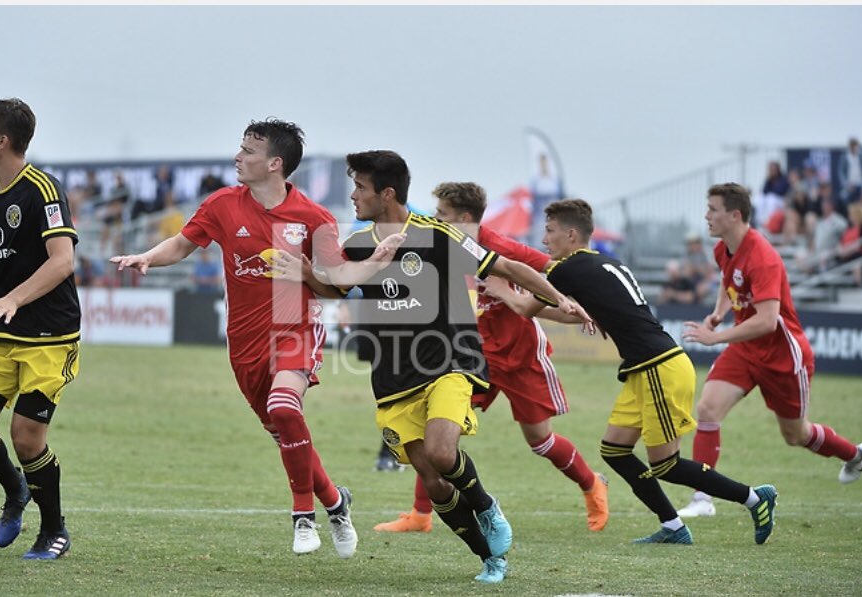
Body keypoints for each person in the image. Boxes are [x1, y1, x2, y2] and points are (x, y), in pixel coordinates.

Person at [110, 118, 399, 558]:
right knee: (286, 433)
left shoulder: (314, 218)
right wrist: (147, 256)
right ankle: (336, 503)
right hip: (244, 342)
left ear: (275, 163)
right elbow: (184, 244)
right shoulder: (223, 205)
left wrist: (360, 264)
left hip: (295, 328)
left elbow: (337, 284)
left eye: (248, 151)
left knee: (284, 407)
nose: (237, 157)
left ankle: (303, 517)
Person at [327, 150, 592, 583]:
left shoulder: (438, 234)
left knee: (441, 452)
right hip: (392, 379)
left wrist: (559, 297)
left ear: (387, 193)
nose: (354, 195)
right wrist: (303, 270)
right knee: (433, 481)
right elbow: (332, 285)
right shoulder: (357, 244)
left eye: (360, 187)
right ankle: (490, 558)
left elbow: (507, 266)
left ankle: (487, 506)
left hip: (449, 363)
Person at [487, 198, 777, 546]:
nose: (544, 240)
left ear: (572, 234)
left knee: (666, 465)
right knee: (615, 450)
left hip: (659, 367)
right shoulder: (605, 263)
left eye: (549, 232)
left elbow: (524, 307)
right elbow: (573, 308)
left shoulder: (568, 269)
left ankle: (754, 498)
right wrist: (584, 313)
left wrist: (501, 289)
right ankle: (672, 526)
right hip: (644, 368)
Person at [372, 181, 608, 536]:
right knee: (437, 428)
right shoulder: (439, 243)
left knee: (540, 441)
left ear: (465, 218)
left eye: (443, 215)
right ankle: (421, 514)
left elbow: (556, 270)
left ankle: (592, 484)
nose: (435, 219)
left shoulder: (499, 247)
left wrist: (585, 303)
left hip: (521, 355)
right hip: (473, 355)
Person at [678, 183, 862, 518]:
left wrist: (716, 338)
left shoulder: (763, 257)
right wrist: (719, 312)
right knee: (708, 410)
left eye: (712, 209)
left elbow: (768, 321)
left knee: (795, 434)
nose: (706, 215)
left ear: (734, 215)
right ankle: (702, 500)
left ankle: (855, 455)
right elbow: (728, 281)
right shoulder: (723, 248)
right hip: (745, 349)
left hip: (783, 355)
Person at [0, 98, 81, 560]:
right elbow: (1, 263)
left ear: (2, 140)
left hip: (48, 335)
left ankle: (54, 532)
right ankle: (15, 489)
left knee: (26, 436)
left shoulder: (43, 188)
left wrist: (13, 300)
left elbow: (62, 261)